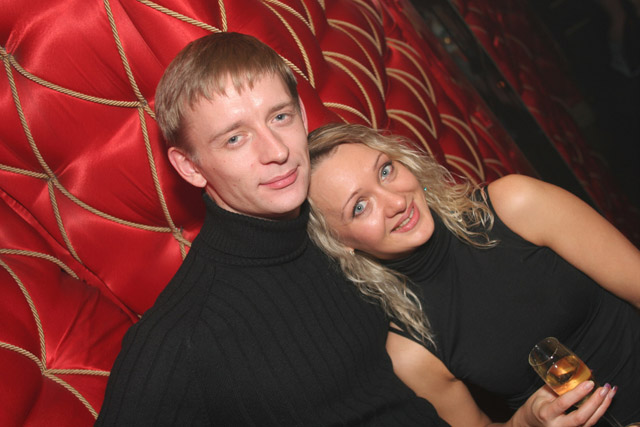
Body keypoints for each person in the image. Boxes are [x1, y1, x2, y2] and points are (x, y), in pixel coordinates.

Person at [95, 32, 450, 426]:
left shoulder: (338, 222)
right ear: (190, 167)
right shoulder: (183, 337)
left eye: (280, 117)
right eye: (235, 139)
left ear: (302, 115)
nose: (277, 151)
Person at [306, 123, 640, 427]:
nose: (395, 202)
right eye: (360, 207)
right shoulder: (411, 350)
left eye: (385, 171)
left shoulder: (515, 205)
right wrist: (525, 422)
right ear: (339, 242)